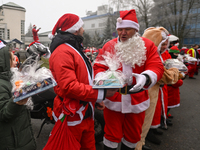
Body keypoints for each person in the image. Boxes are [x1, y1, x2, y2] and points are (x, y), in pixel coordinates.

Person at [93, 10, 164, 150]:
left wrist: (146, 77)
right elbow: (99, 66)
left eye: (127, 29)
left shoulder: (148, 45)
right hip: (113, 99)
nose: (123, 33)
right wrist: (102, 78)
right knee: (111, 135)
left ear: (136, 30)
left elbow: (156, 66)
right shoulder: (109, 45)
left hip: (137, 99)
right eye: (120, 29)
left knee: (133, 136)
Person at [46, 13, 117, 150]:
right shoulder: (63, 52)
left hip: (84, 111)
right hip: (71, 115)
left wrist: (95, 100)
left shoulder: (73, 48)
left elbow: (84, 78)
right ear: (76, 29)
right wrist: (100, 94)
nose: (83, 29)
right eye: (81, 26)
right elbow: (69, 86)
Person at [135, 27, 180, 150]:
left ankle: (141, 142)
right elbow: (163, 76)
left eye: (166, 44)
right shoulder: (149, 56)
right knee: (142, 123)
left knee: (145, 122)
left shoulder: (154, 54)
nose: (166, 47)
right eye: (163, 43)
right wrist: (176, 71)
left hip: (151, 93)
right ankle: (137, 145)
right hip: (146, 95)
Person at [0, 41, 37, 150]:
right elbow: (4, 113)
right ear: (3, 63)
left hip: (19, 136)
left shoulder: (10, 79)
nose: (16, 62)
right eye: (12, 59)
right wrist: (17, 101)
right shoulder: (2, 85)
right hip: (13, 142)